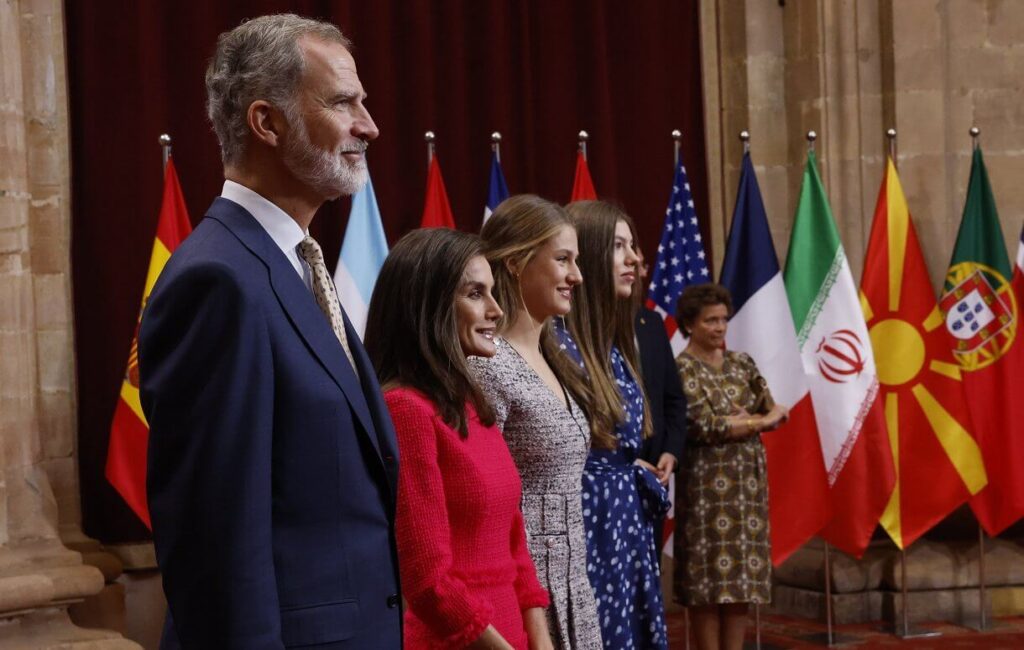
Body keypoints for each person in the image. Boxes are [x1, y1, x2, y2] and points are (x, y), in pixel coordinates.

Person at [139, 15, 401, 649]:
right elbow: (215, 544)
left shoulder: (295, 262)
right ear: (267, 122)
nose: (370, 125)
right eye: (344, 102)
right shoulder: (217, 282)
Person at [364, 228, 552, 650]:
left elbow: (515, 548)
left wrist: (540, 640)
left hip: (511, 635)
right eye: (475, 294)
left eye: (492, 292)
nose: (496, 310)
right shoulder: (406, 410)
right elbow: (428, 581)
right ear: (428, 306)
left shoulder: (472, 401)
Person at [468, 195, 603, 649]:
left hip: (573, 581)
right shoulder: (488, 366)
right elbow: (481, 498)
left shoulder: (554, 355)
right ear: (514, 263)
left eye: (576, 261)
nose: (576, 276)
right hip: (524, 592)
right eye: (562, 259)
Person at [559, 200, 670, 649]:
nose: (635, 259)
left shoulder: (613, 345)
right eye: (618, 246)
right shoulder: (560, 347)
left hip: (624, 523)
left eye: (634, 247)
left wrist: (628, 469)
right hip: (592, 526)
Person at [672, 283, 788, 650]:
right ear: (690, 324)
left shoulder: (742, 362)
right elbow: (705, 425)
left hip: (747, 491)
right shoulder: (682, 369)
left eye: (724, 319)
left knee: (741, 582)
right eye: (711, 321)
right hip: (706, 491)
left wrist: (752, 419)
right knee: (707, 585)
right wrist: (755, 422)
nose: (720, 327)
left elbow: (779, 410)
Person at [633, 246, 687, 559]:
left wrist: (671, 451)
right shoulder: (583, 327)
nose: (634, 264)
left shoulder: (650, 322)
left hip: (655, 470)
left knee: (649, 568)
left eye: (638, 259)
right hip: (612, 472)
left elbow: (673, 397)